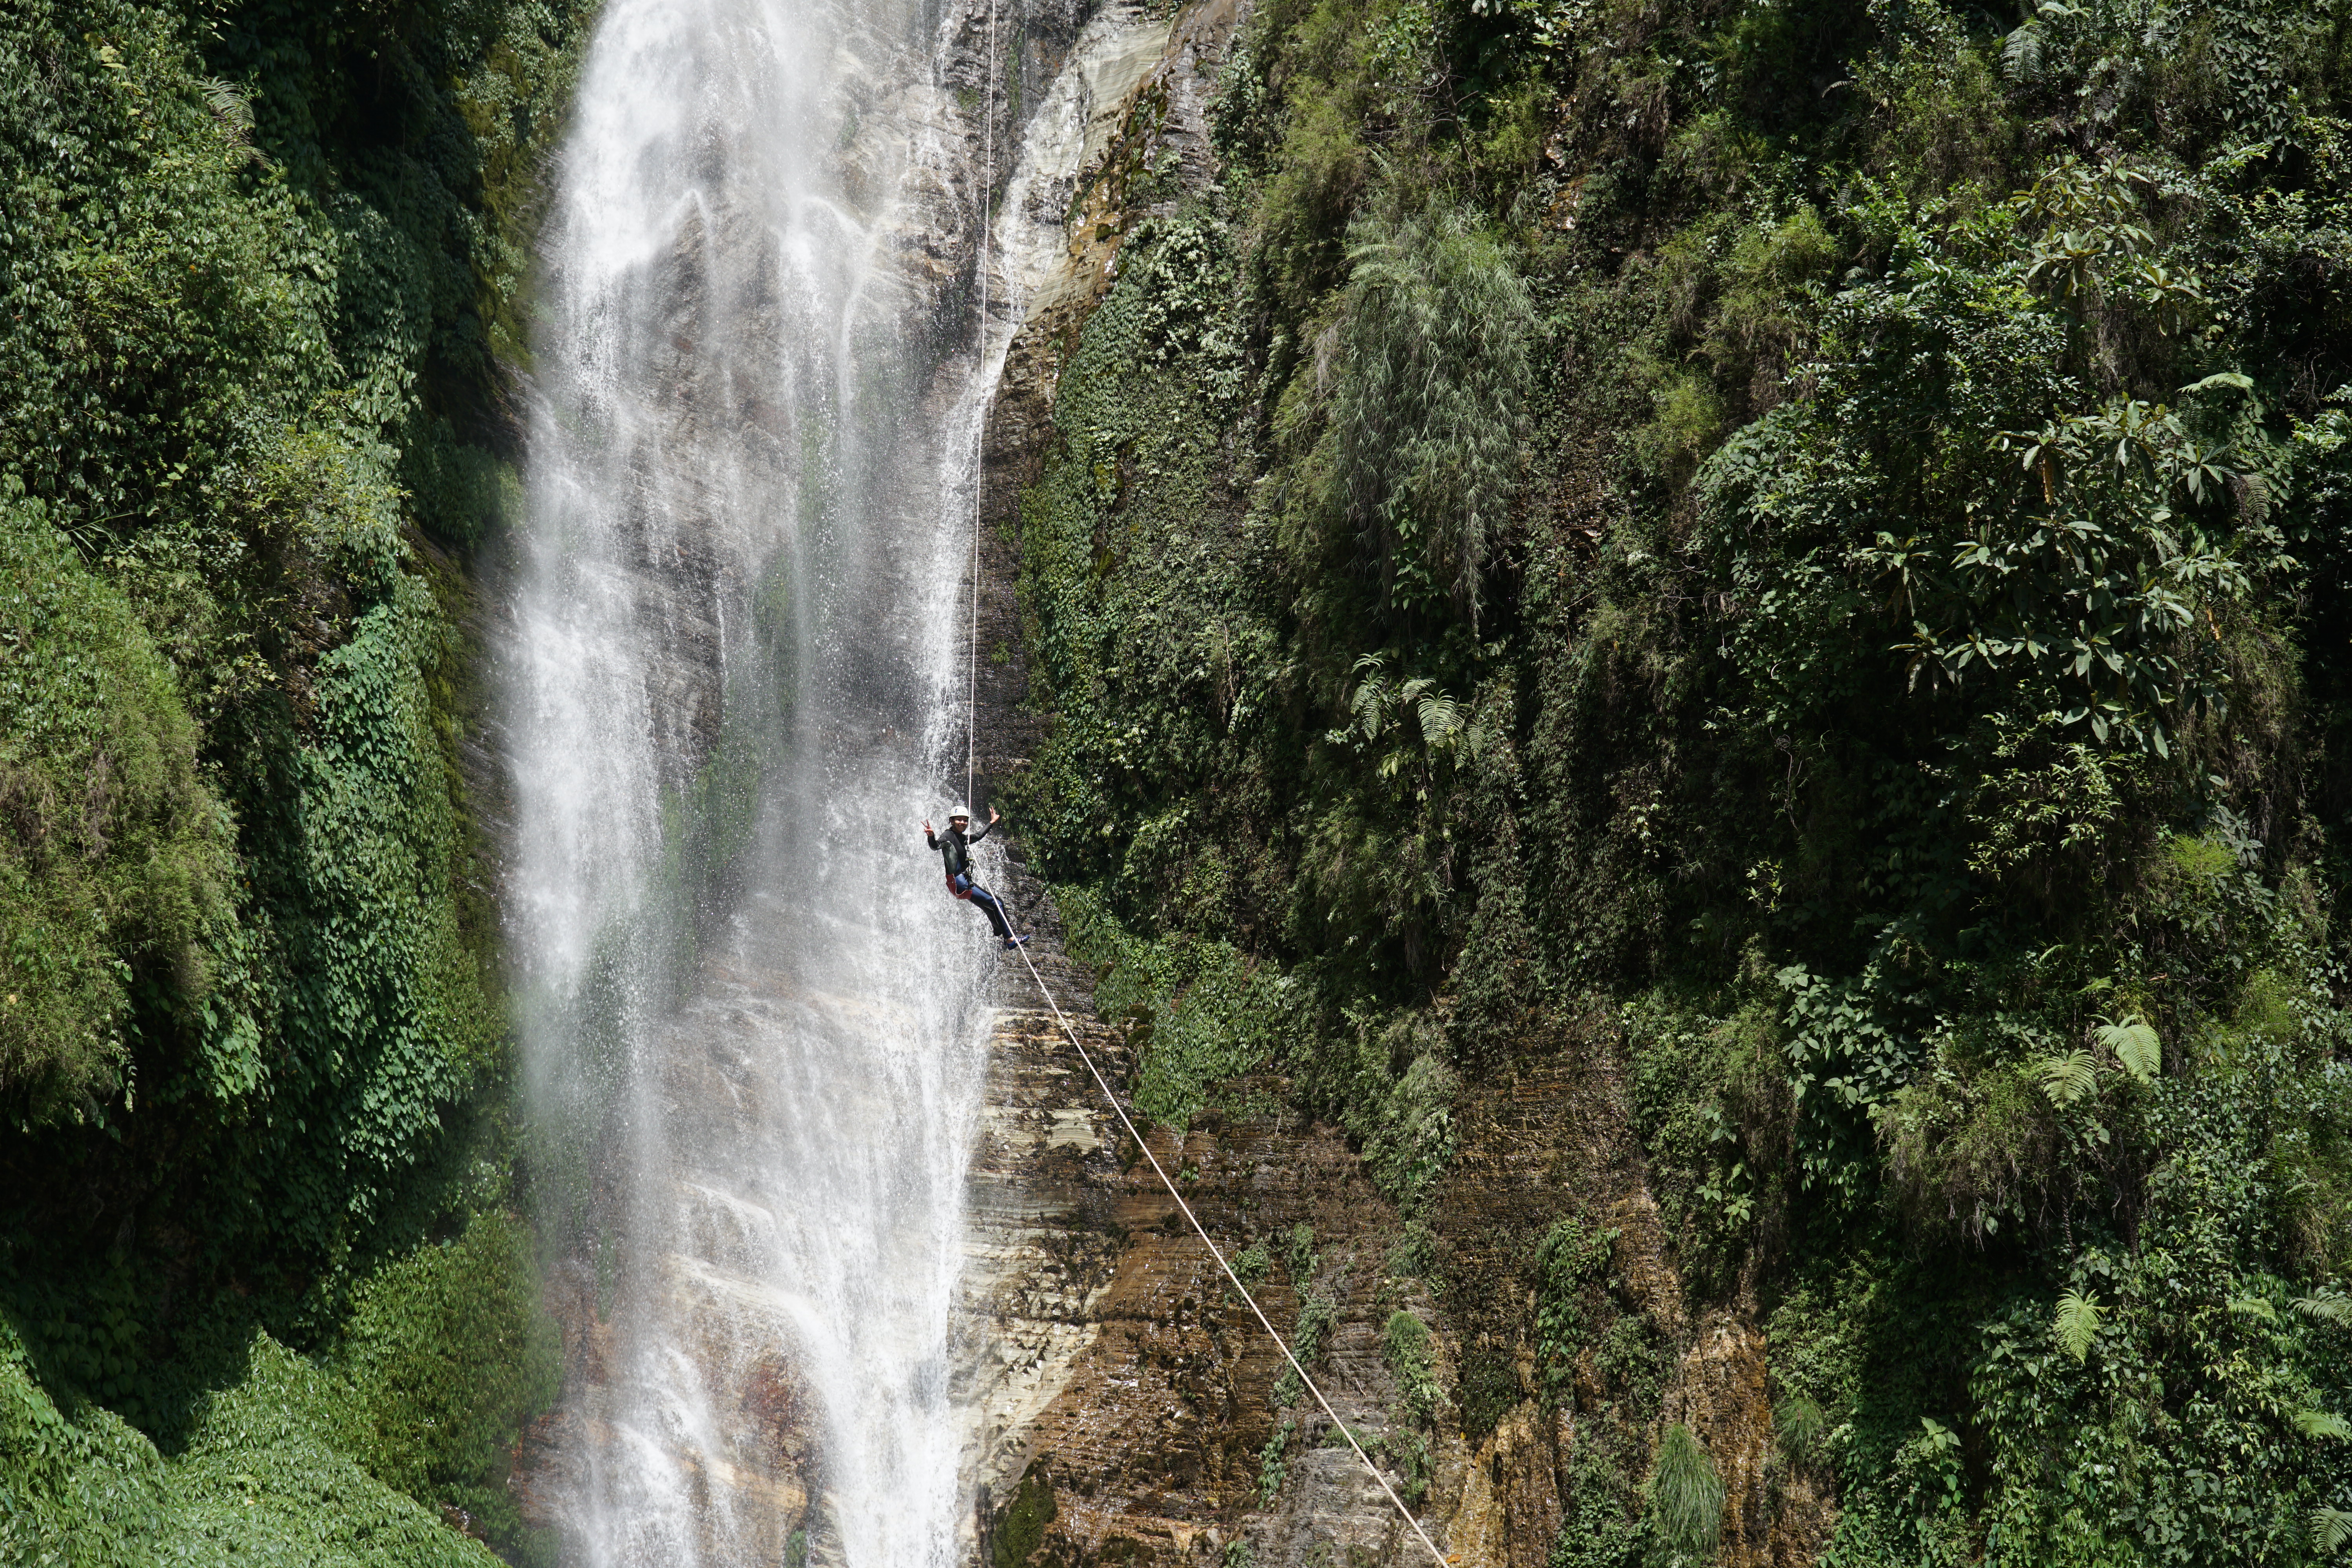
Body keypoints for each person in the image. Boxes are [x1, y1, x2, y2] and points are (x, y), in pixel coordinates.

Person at [924, 806, 1029, 949]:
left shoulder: (961, 837)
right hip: (959, 883)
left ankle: (998, 930)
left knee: (990, 907)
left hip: (961, 883)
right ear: (952, 821)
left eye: (965, 820)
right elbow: (936, 846)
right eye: (959, 820)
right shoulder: (948, 836)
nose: (963, 823)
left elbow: (978, 836)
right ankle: (1010, 939)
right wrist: (931, 836)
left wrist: (991, 822)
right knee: (998, 903)